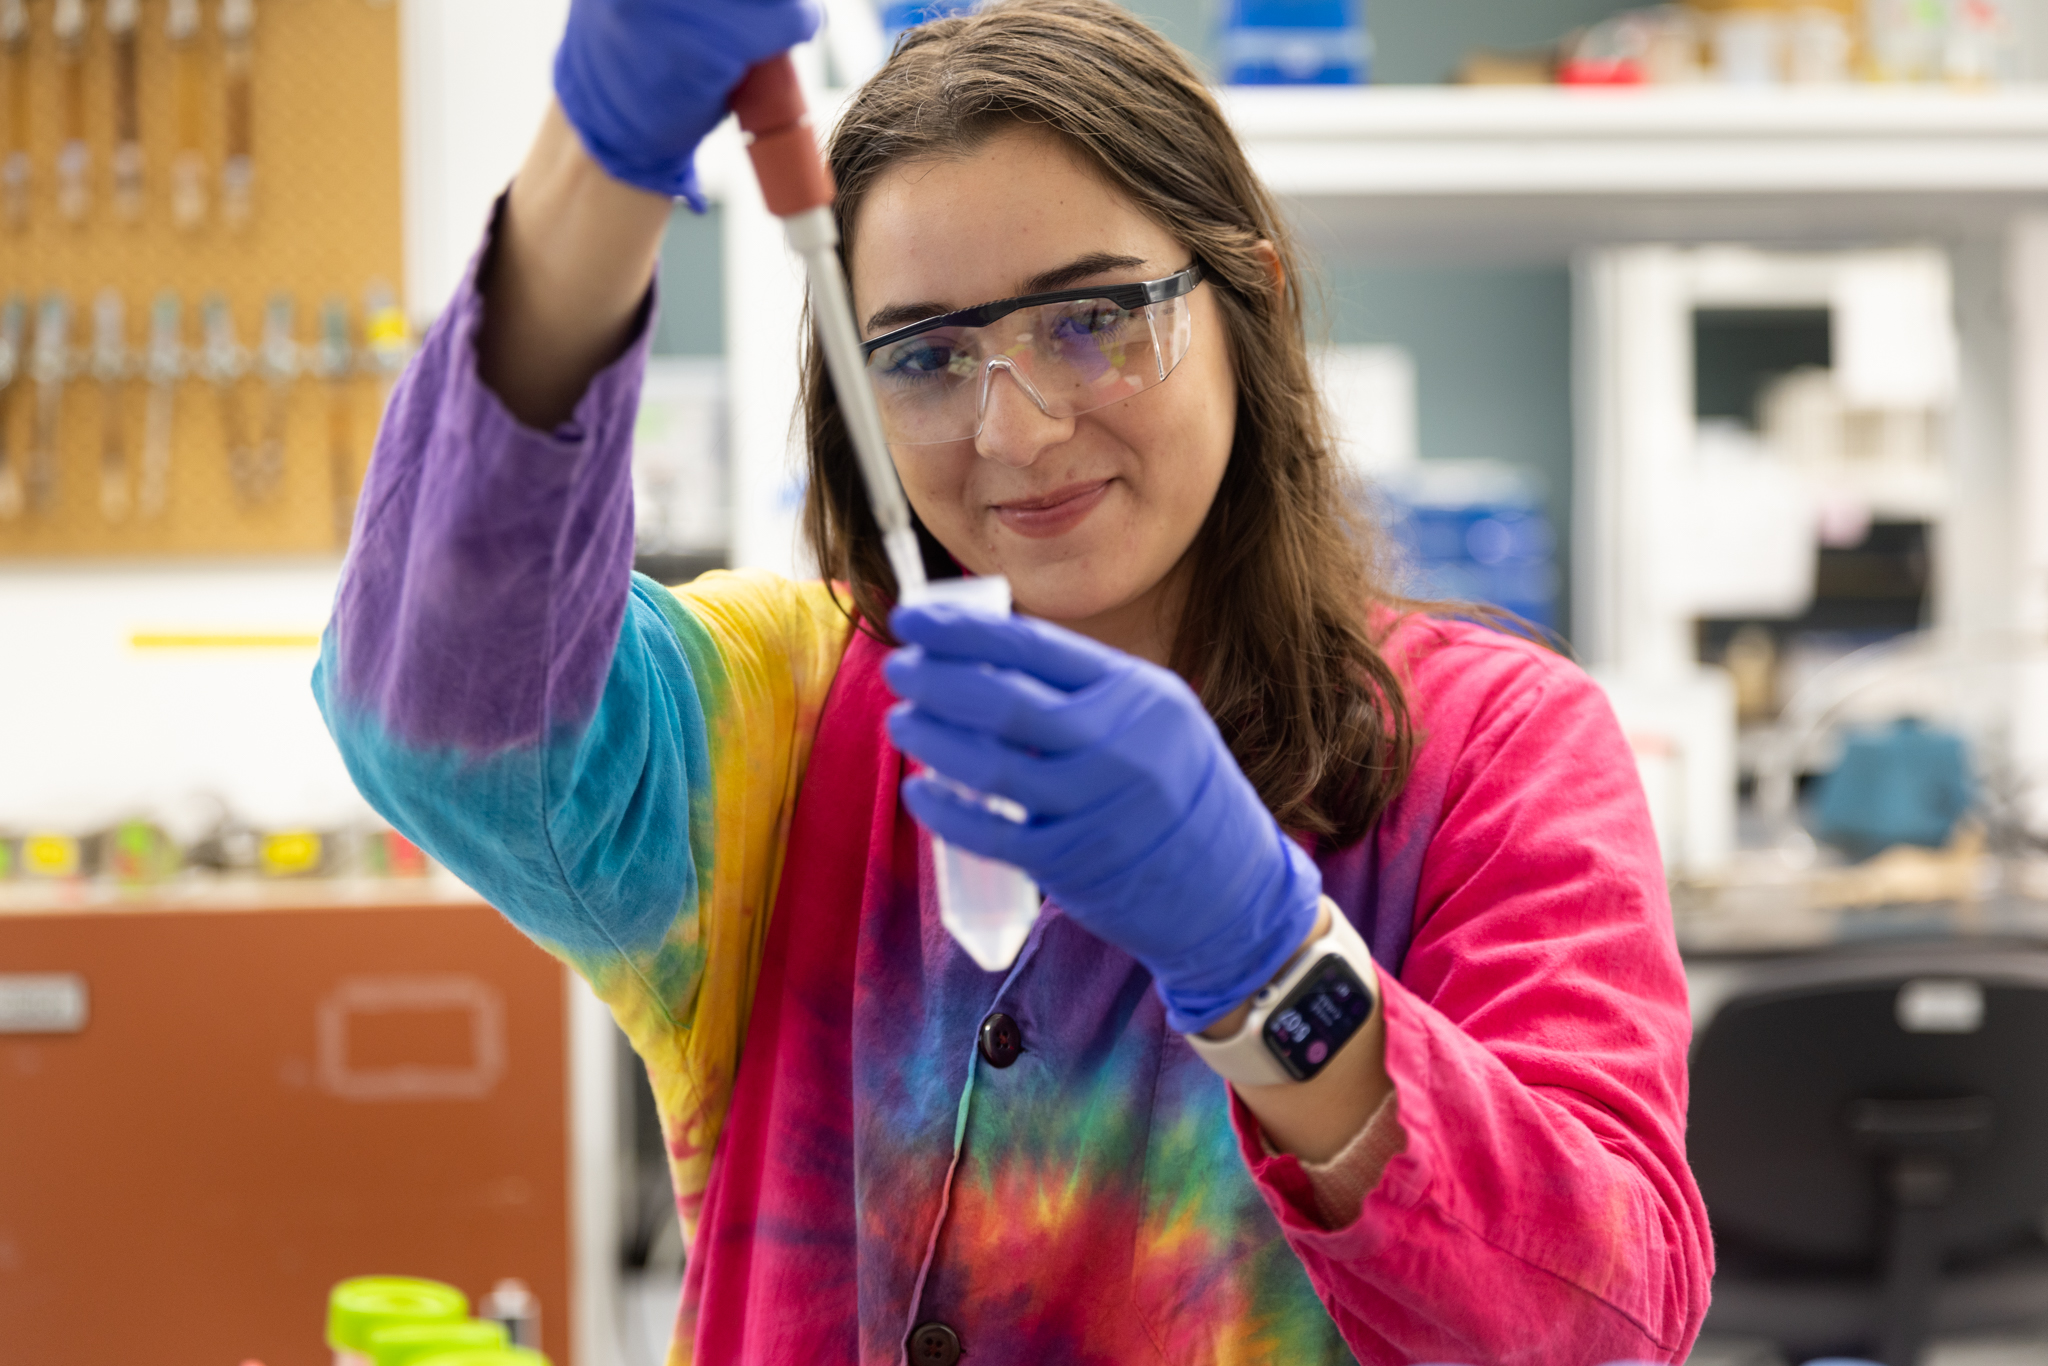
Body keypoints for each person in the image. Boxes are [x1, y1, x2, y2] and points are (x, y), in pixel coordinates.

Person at [314, 1, 1712, 1361]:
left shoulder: (1489, 750)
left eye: (1092, 317)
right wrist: (595, 155)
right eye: (924, 355)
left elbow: (1602, 1324)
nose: (1016, 426)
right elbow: (446, 716)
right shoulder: (787, 721)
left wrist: (1276, 962)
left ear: (1249, 299)